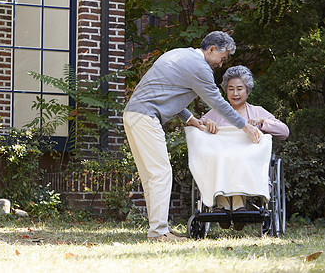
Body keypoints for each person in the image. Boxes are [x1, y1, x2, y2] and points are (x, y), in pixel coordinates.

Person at [123, 31, 260, 241]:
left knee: (152, 175)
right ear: (212, 49)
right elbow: (217, 102)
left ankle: (157, 231)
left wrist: (189, 119)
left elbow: (167, 91)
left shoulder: (180, 55)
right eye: (222, 58)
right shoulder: (199, 67)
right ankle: (159, 233)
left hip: (134, 114)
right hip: (145, 116)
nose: (221, 64)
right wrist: (244, 126)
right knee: (160, 173)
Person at [199, 65, 289, 230]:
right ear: (225, 91)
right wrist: (206, 122)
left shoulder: (256, 111)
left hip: (249, 166)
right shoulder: (217, 112)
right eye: (230, 89)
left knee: (237, 158)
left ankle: (237, 208)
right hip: (221, 164)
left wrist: (263, 122)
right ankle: (224, 208)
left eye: (239, 89)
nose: (235, 93)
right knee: (224, 159)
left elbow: (284, 131)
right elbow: (198, 125)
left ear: (248, 91)